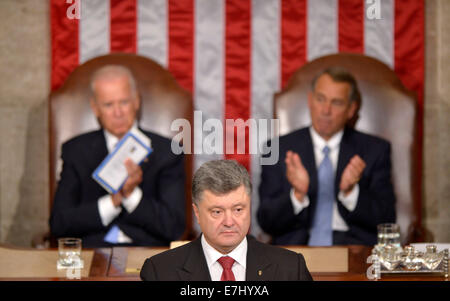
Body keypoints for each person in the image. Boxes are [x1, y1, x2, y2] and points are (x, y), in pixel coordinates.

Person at [49, 65, 185, 247]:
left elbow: (174, 227)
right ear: (95, 108)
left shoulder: (167, 151)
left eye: (124, 102)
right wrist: (114, 201)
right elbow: (59, 224)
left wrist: (131, 195)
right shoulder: (75, 151)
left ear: (136, 101)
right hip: (93, 256)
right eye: (108, 105)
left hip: (147, 255)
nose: (118, 113)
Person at [257, 67, 396, 246]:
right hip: (296, 251)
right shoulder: (277, 148)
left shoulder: (374, 150)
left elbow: (386, 220)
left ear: (351, 109)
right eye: (320, 99)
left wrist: (351, 192)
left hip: (354, 250)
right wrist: (297, 195)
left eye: (336, 102)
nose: (325, 110)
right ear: (310, 100)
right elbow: (266, 221)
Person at [140, 160, 312, 281]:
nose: (229, 222)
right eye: (217, 212)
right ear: (197, 213)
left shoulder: (290, 269)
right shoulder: (160, 271)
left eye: (238, 210)